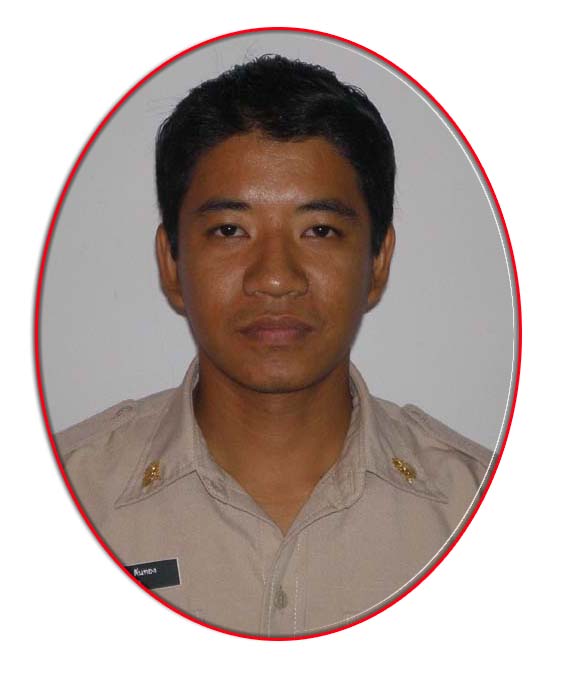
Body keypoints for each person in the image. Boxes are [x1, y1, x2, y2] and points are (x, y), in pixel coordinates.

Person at [55, 55, 492, 638]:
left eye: (319, 230)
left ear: (379, 261)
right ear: (171, 262)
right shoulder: (62, 501)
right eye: (230, 230)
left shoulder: (480, 510)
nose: (276, 278)